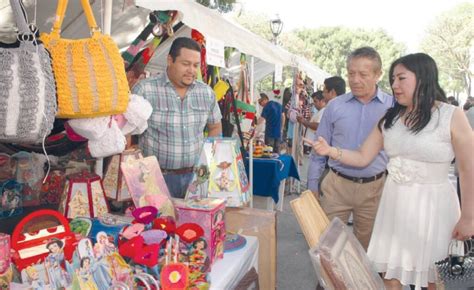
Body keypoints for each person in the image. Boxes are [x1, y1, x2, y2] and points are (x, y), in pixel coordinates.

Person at [307, 53, 474, 290]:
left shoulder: (451, 115)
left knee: (433, 279)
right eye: (393, 79)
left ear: (423, 77)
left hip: (435, 209)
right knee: (390, 276)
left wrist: (469, 216)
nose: (394, 85)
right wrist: (331, 151)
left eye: (401, 78)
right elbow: (363, 157)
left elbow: (468, 169)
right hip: (394, 206)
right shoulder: (390, 118)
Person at [307, 47, 394, 250]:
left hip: (374, 189)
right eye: (351, 73)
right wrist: (312, 184)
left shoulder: (392, 106)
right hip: (336, 185)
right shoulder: (335, 106)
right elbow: (319, 149)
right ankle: (327, 283)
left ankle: (361, 283)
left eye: (363, 74)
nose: (355, 80)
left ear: (377, 75)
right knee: (326, 247)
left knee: (368, 251)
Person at [132, 37, 222, 198]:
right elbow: (127, 132)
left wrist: (207, 164)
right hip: (156, 178)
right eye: (185, 64)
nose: (191, 70)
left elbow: (215, 127)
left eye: (195, 65)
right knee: (159, 223)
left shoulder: (207, 93)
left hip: (197, 178)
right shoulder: (144, 90)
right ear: (169, 60)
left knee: (194, 222)